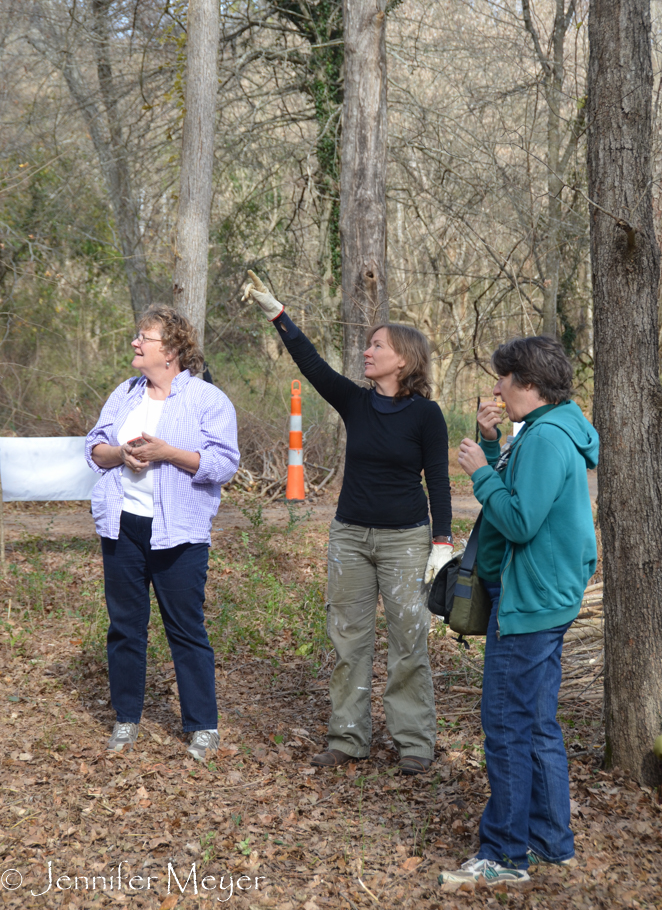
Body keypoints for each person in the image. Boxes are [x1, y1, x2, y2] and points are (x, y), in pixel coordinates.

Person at [241, 270, 453, 774]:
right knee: (348, 641)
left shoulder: (427, 415)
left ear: (402, 358)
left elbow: (440, 482)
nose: (366, 352)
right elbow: (311, 363)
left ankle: (415, 743)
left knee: (408, 642)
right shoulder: (355, 402)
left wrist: (442, 542)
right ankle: (348, 737)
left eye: (376, 346)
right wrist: (279, 314)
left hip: (406, 541)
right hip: (350, 537)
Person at [439, 335, 599, 887]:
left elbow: (520, 521)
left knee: (506, 725)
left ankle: (505, 855)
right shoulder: (547, 430)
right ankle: (552, 841)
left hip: (530, 600)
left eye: (503, 379)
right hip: (543, 594)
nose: (497, 388)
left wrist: (479, 471)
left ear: (528, 384)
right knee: (535, 723)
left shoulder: (547, 440)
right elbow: (530, 500)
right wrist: (492, 442)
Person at [85, 305, 240, 761]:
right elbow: (94, 445)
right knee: (125, 629)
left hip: (179, 532)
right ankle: (127, 718)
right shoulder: (125, 393)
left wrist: (169, 452)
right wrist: (120, 454)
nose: (135, 343)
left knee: (186, 629)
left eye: (144, 337)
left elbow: (224, 463)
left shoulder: (207, 400)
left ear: (170, 350)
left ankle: (202, 727)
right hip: (122, 525)